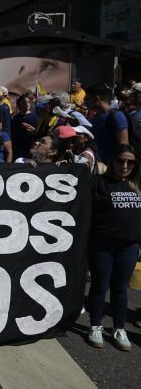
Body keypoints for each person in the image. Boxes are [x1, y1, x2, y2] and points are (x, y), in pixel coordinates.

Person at [86, 145, 141, 351]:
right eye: (120, 161)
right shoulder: (98, 183)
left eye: (130, 162)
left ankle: (119, 328)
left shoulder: (136, 185)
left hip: (128, 247)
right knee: (100, 287)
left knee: (120, 290)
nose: (125, 165)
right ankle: (96, 325)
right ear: (112, 162)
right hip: (102, 246)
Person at [87, 85, 129, 163]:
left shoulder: (117, 115)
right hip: (98, 164)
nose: (85, 102)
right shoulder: (95, 117)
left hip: (111, 166)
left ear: (96, 99)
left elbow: (124, 145)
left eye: (87, 99)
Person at [11, 95, 38, 160]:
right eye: (23, 102)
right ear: (19, 105)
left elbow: (38, 134)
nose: (26, 104)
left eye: (28, 102)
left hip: (29, 147)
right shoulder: (16, 117)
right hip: (17, 148)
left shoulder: (35, 117)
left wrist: (33, 130)